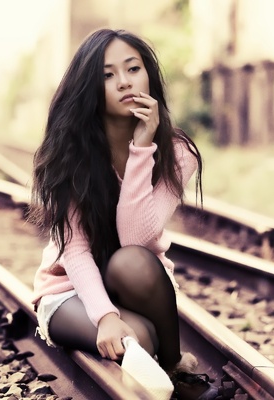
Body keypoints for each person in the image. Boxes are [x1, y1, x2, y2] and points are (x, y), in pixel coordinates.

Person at [29, 29, 219, 399]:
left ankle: (175, 366)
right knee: (140, 340)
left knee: (132, 260)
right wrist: (106, 317)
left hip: (133, 280)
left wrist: (141, 147)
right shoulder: (71, 155)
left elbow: (136, 240)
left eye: (133, 69)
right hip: (68, 291)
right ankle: (162, 363)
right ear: (89, 86)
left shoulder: (177, 154)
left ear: (148, 75)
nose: (124, 82)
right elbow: (77, 250)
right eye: (107, 74)